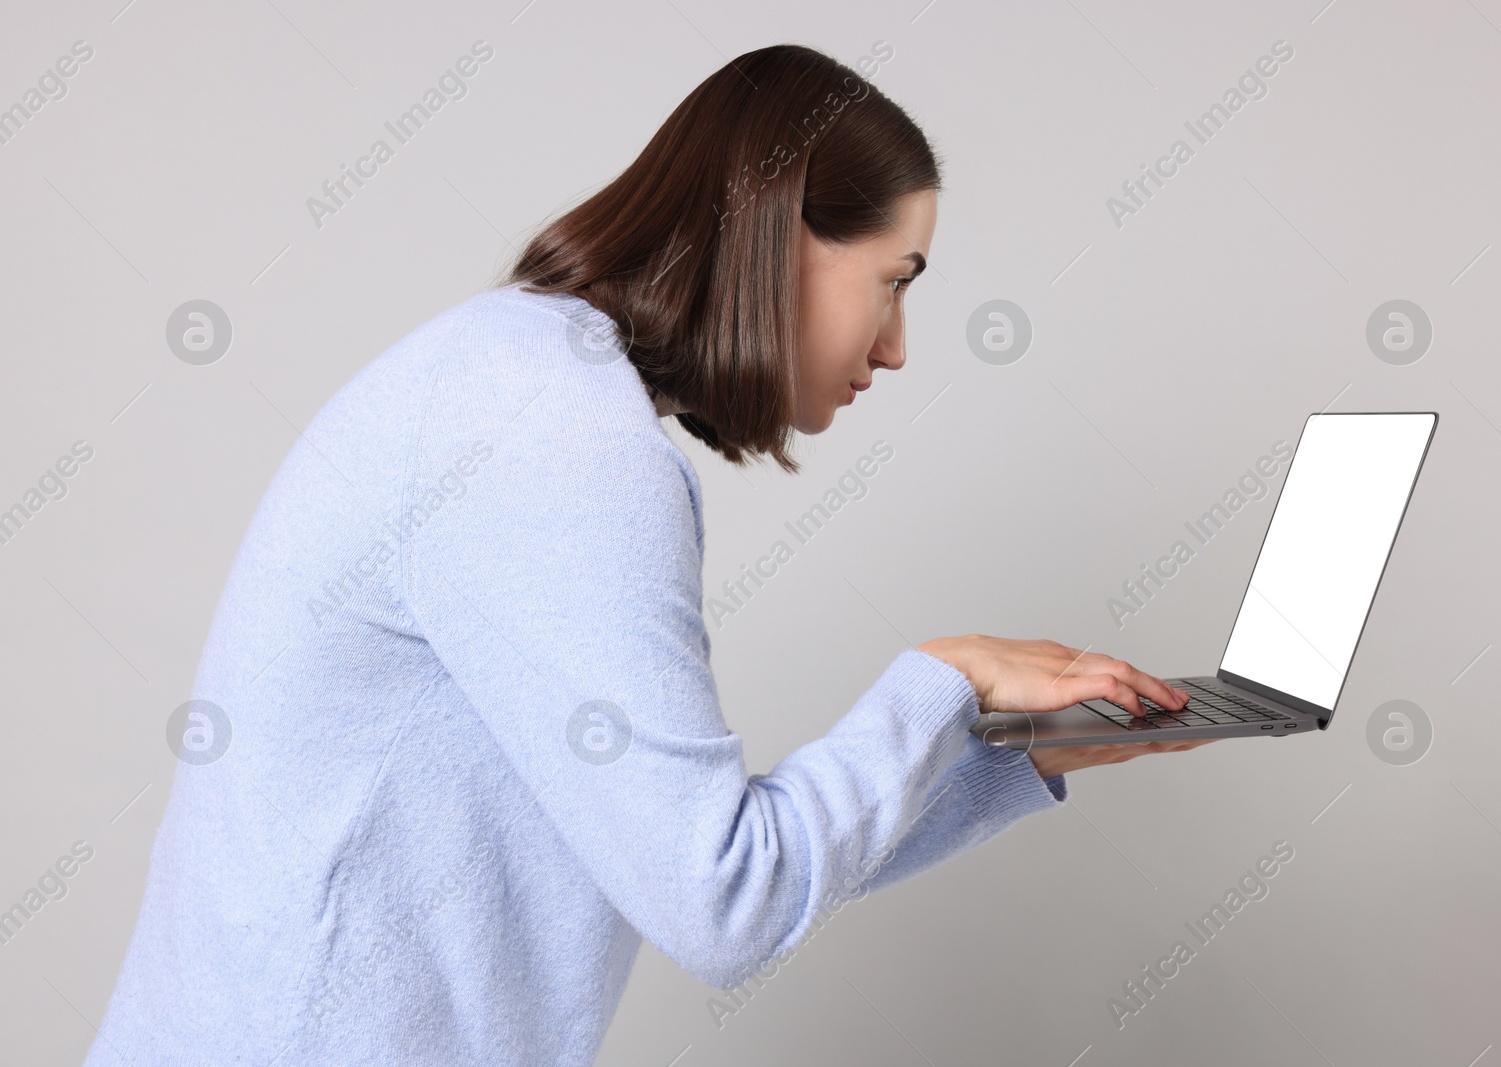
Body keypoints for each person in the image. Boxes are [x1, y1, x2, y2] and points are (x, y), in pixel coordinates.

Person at [86, 43, 1209, 1067]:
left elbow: (686, 857)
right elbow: (726, 901)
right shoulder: (554, 436)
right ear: (784, 232)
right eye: (895, 281)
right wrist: (949, 676)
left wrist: (1011, 755)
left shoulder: (521, 379)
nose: (898, 346)